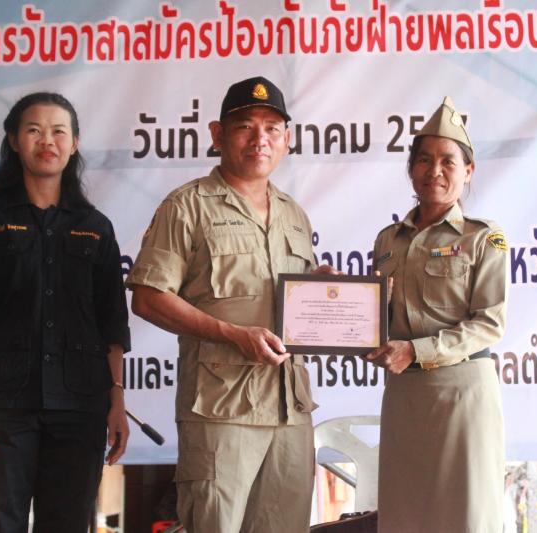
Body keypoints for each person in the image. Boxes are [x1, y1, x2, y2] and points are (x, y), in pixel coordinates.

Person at [127, 76, 335, 533]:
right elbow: (148, 298)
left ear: (287, 139)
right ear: (218, 135)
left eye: (272, 128)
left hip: (289, 408)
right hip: (221, 408)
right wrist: (232, 335)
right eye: (245, 127)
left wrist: (319, 290)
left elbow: (289, 303)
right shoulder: (187, 206)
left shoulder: (294, 215)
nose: (260, 139)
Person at [0, 92, 130, 533]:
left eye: (58, 131)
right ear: (14, 141)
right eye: (34, 130)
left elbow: (112, 324)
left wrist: (118, 402)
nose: (47, 140)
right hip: (2, 408)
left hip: (80, 407)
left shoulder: (96, 227)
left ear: (74, 143)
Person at [365, 96, 508, 532]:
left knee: (467, 517)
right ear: (410, 168)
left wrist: (417, 350)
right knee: (405, 517)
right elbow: (374, 325)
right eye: (424, 160)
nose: (435, 171)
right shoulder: (387, 240)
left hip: (462, 396)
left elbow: (490, 323)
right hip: (404, 397)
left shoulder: (485, 239)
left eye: (448, 161)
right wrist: (344, 302)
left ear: (469, 171)